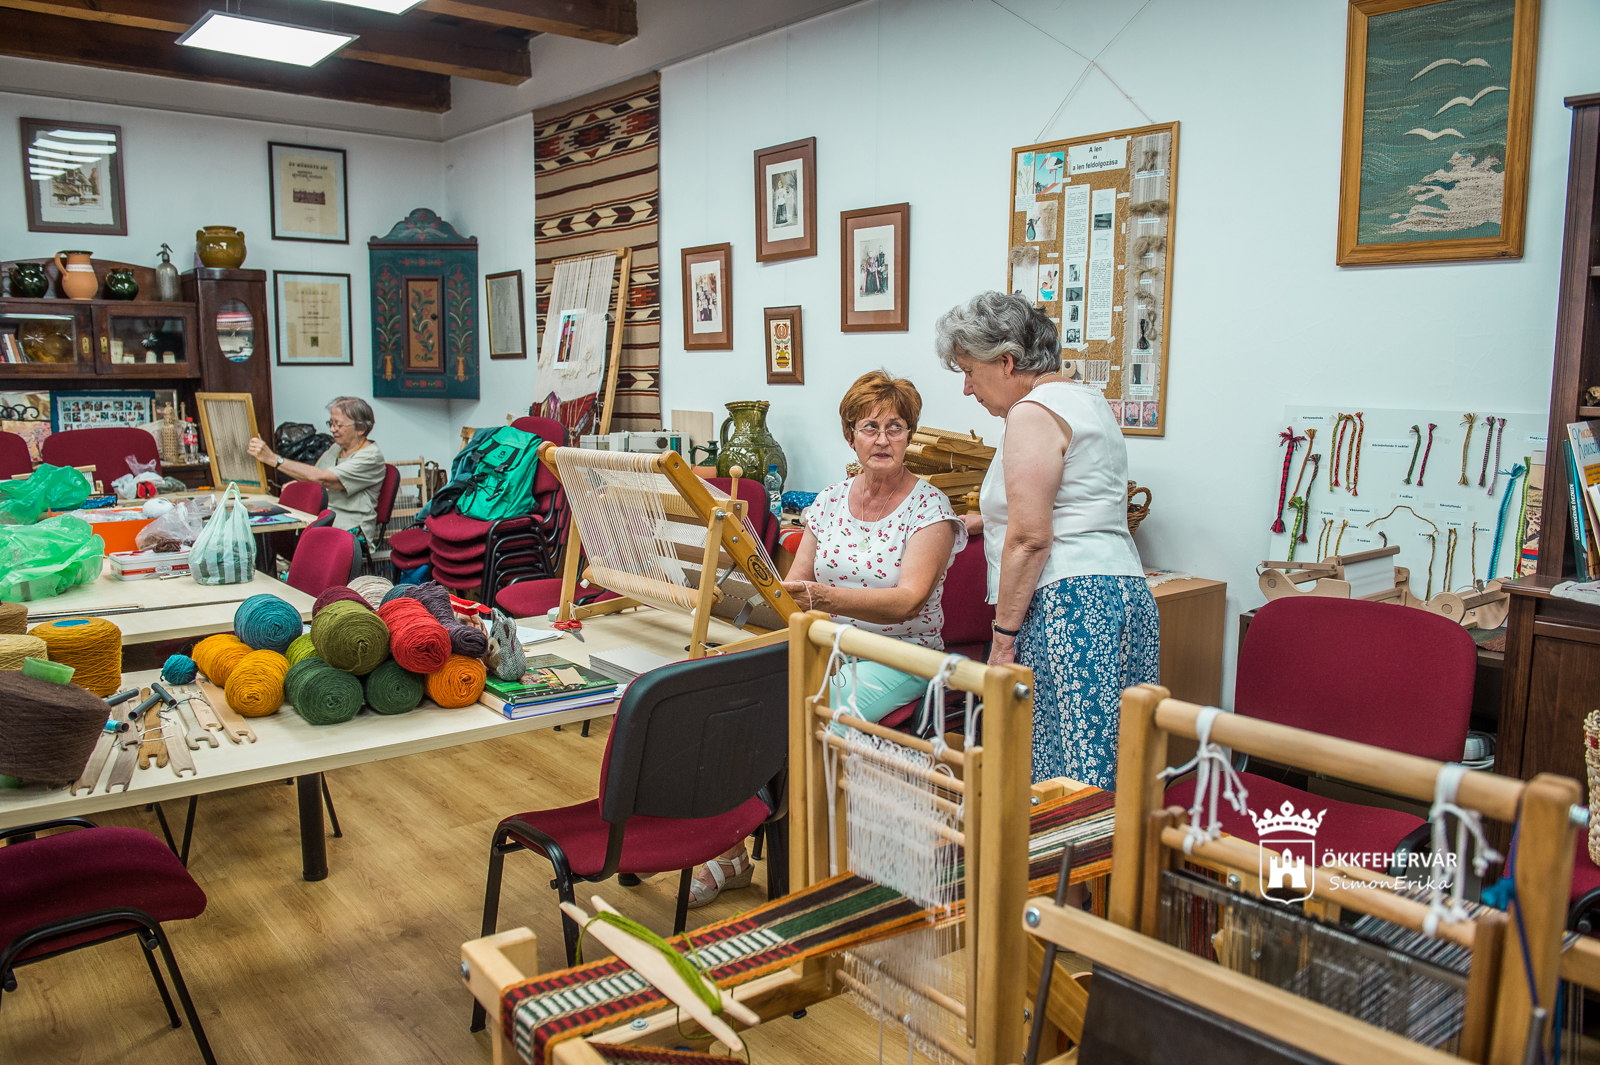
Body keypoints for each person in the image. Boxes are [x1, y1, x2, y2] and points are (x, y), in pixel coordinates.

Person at [687, 369, 966, 909]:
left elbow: (908, 600)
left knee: (812, 708)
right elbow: (797, 588)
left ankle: (827, 863)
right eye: (869, 427)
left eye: (895, 427)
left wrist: (822, 599)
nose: (882, 439)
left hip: (903, 654)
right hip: (828, 645)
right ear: (850, 436)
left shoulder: (931, 509)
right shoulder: (831, 501)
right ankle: (735, 851)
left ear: (910, 436)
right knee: (740, 696)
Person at [936, 292, 1158, 790]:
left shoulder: (1032, 412)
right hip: (1122, 592)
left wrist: (1003, 638)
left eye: (970, 371)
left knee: (1066, 777)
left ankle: (1063, 866)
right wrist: (980, 522)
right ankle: (1106, 868)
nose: (969, 388)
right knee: (1113, 762)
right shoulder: (1085, 400)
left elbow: (1031, 539)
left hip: (1069, 606)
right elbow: (1073, 501)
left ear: (1007, 361)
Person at [247, 396, 387, 547]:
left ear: (361, 429)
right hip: (323, 517)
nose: (332, 430)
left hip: (348, 528)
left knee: (275, 539)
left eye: (338, 425)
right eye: (331, 424)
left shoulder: (370, 457)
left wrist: (274, 459)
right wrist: (298, 487)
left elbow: (322, 478)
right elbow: (314, 476)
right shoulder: (337, 448)